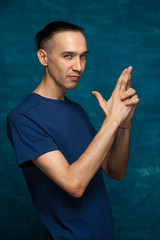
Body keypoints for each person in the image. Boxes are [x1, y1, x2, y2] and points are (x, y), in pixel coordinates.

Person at [7, 21, 139, 240]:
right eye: (68, 56)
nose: (78, 66)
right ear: (43, 57)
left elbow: (115, 171)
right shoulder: (23, 118)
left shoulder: (76, 110)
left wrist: (123, 124)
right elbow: (74, 184)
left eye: (83, 56)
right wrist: (111, 121)